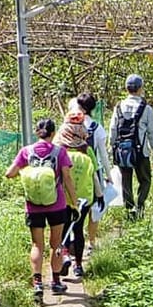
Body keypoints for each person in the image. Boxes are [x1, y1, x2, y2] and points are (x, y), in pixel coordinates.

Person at [7, 117, 75, 303]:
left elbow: (9, 173)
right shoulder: (60, 152)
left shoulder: (26, 151)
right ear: (53, 133)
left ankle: (37, 283)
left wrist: (29, 173)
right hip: (57, 204)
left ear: (37, 132)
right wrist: (74, 202)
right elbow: (67, 178)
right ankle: (55, 282)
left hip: (33, 205)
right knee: (57, 244)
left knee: (37, 245)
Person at [57, 99, 101, 278]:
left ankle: (65, 254)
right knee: (79, 229)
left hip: (63, 196)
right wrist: (99, 195)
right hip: (84, 197)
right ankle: (78, 266)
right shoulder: (87, 150)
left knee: (64, 227)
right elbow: (94, 174)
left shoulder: (59, 150)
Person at [110, 74, 153, 217]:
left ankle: (129, 209)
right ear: (140, 89)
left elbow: (113, 130)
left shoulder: (118, 107)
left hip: (122, 151)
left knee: (126, 181)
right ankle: (140, 206)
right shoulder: (146, 108)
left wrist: (113, 149)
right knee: (145, 180)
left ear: (127, 88)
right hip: (141, 152)